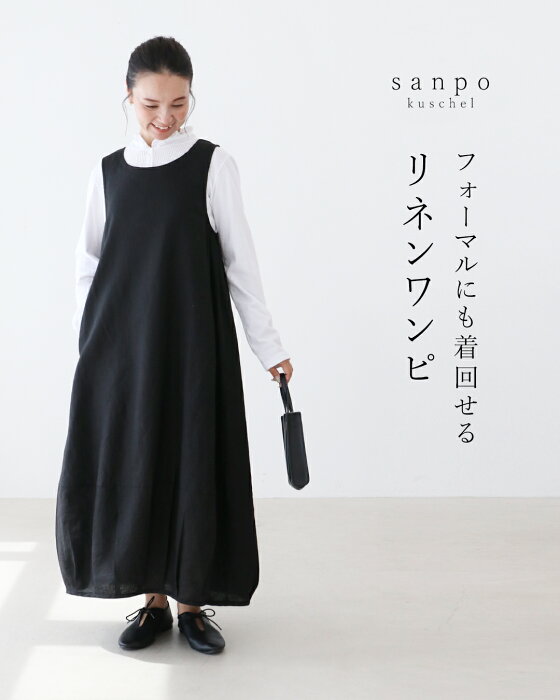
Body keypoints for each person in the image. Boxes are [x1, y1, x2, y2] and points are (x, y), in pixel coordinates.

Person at [55, 35, 293, 655]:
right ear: (128, 97)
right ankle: (151, 603)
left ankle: (192, 605)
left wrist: (269, 348)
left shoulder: (212, 166)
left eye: (179, 104)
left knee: (192, 462)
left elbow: (241, 264)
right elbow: (88, 266)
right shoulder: (107, 172)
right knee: (138, 463)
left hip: (193, 345)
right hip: (123, 350)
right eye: (151, 104)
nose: (166, 117)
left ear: (192, 98)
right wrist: (91, 346)